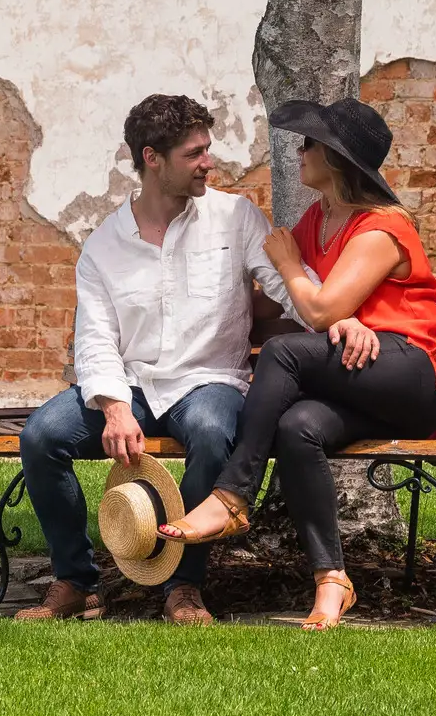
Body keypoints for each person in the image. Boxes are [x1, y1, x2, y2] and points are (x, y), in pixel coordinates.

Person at [156, 96, 436, 629]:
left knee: (282, 351)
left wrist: (293, 265)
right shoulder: (316, 220)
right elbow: (274, 302)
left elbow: (318, 309)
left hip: (414, 375)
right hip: (360, 379)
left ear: (337, 159)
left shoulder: (382, 227)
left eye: (311, 143)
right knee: (298, 428)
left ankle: (231, 495)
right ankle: (331, 583)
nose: (299, 151)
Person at [14, 93, 288, 623]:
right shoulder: (104, 246)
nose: (209, 162)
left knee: (211, 430)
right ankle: (75, 581)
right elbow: (94, 339)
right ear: (152, 159)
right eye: (195, 153)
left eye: (207, 149)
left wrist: (334, 317)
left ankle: (183, 587)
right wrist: (115, 407)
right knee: (42, 436)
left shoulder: (235, 218)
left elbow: (284, 283)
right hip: (132, 385)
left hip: (210, 380)